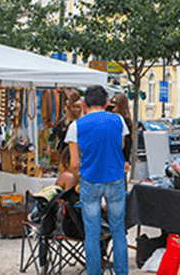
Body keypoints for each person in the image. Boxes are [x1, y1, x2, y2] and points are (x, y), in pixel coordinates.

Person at [66, 86, 129, 275]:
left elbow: (74, 162)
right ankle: (121, 272)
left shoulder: (76, 125)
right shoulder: (118, 120)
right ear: (107, 103)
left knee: (92, 234)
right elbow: (122, 145)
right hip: (115, 178)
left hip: (90, 181)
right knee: (118, 231)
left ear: (85, 104)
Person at [108, 93, 133, 172]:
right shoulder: (111, 117)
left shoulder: (125, 119)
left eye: (115, 103)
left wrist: (126, 159)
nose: (112, 105)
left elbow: (128, 141)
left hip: (120, 156)